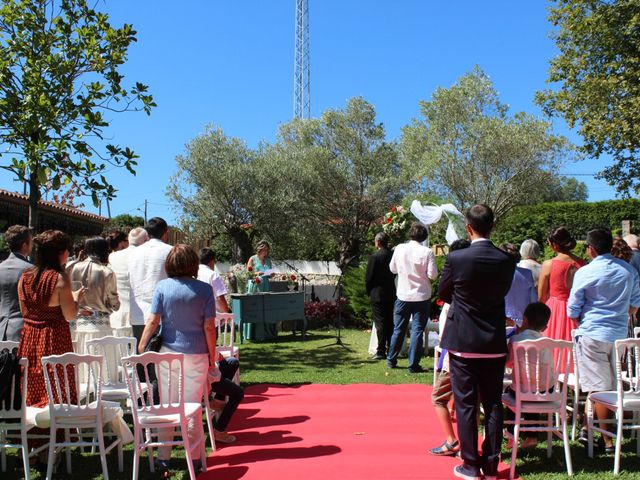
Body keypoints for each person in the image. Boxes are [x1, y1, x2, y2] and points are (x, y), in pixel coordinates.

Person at [438, 204, 516, 480]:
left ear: (468, 228)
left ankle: (471, 465)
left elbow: (443, 292)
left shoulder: (457, 258)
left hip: (463, 340)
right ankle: (491, 464)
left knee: (466, 404)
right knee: (493, 403)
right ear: (491, 227)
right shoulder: (507, 260)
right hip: (493, 341)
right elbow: (502, 291)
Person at [138, 244, 218, 472]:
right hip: (196, 354)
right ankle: (194, 459)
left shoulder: (163, 287)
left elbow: (153, 321)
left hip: (167, 355)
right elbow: (209, 326)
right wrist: (212, 355)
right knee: (192, 406)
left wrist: (142, 348)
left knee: (168, 405)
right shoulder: (204, 290)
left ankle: (164, 457)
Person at [568, 228, 640, 451]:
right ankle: (593, 431)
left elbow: (573, 309)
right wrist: (617, 315)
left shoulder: (585, 272)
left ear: (590, 248)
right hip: (618, 334)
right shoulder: (628, 271)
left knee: (599, 388)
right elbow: (635, 304)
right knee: (606, 385)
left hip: (592, 332)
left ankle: (606, 439)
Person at [17, 230, 84, 455]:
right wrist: (76, 298)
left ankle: (33, 444)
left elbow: (25, 310)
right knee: (57, 388)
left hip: (29, 337)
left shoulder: (25, 276)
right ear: (61, 253)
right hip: (54, 338)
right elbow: (69, 315)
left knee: (32, 390)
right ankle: (54, 443)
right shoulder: (59, 279)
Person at [429, 238, 469, 457]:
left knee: (438, 397)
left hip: (455, 353)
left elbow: (446, 333)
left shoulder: (452, 298)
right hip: (472, 352)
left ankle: (451, 440)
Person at [387, 222, 437, 373]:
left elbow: (392, 269)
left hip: (403, 294)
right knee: (417, 331)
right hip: (421, 296)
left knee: (398, 329)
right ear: (424, 237)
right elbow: (432, 275)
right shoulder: (427, 252)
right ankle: (413, 364)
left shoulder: (400, 248)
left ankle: (391, 359)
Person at [504, 302, 553, 450]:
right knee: (533, 392)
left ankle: (511, 434)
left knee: (511, 394)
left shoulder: (516, 340)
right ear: (544, 327)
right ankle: (532, 435)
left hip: (521, 392)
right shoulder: (548, 342)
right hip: (548, 392)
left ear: (524, 320)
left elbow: (508, 363)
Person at [66, 237, 120, 356]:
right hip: (100, 327)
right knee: (102, 368)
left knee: (79, 367)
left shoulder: (71, 267)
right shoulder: (107, 272)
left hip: (75, 325)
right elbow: (115, 304)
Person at [128, 217, 172, 348]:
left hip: (137, 314)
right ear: (165, 232)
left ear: (147, 234)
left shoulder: (133, 253)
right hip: (163, 315)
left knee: (141, 361)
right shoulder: (170, 251)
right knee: (161, 363)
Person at [538, 227, 586, 344]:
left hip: (554, 310)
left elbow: (542, 297)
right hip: (579, 309)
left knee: (553, 345)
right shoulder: (583, 264)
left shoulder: (548, 264)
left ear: (554, 244)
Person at [109, 227, 149, 336]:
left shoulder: (112, 256)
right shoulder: (147, 257)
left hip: (118, 316)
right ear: (146, 240)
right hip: (141, 317)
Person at [365, 232, 396, 360]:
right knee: (390, 321)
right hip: (391, 292)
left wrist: (368, 291)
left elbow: (369, 278)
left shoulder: (375, 257)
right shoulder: (392, 255)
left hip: (377, 293)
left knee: (380, 323)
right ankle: (390, 348)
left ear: (377, 242)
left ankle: (380, 350)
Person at [0, 225, 33, 341]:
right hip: (24, 330)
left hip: (1, 326)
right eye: (31, 242)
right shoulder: (31, 270)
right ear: (25, 245)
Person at [500, 243, 537, 327]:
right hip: (523, 320)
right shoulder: (527, 273)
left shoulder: (498, 273)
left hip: (504, 320)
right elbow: (533, 300)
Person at [198, 248, 230, 313]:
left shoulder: (193, 272)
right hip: (214, 317)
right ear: (212, 261)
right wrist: (228, 312)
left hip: (196, 315)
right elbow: (220, 298)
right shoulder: (214, 275)